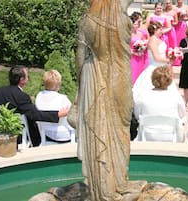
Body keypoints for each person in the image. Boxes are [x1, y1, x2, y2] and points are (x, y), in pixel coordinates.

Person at [75, 0, 139, 199]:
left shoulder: (87, 20)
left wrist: (79, 84)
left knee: (98, 132)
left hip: (95, 78)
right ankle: (119, 182)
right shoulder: (124, 21)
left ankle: (102, 188)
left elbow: (80, 56)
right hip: (119, 81)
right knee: (120, 133)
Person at [0, 66, 68, 146]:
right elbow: (35, 115)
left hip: (2, 131)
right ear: (22, 79)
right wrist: (57, 114)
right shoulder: (22, 96)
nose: (28, 78)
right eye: (27, 76)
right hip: (19, 135)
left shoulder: (0, 91)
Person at [134, 66, 185, 142]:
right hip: (170, 136)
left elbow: (137, 115)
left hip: (147, 136)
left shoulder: (143, 95)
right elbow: (182, 114)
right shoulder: (176, 96)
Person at [132, 21, 177, 103]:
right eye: (160, 29)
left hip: (163, 66)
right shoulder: (152, 41)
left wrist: (171, 56)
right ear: (155, 30)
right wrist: (169, 60)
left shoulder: (158, 39)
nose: (162, 31)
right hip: (155, 67)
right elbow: (157, 57)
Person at [35, 70, 73, 142]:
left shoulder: (39, 96)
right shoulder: (62, 98)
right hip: (63, 134)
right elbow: (72, 114)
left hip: (44, 132)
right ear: (57, 84)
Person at [130, 11, 149, 84]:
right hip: (132, 58)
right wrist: (134, 52)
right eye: (136, 23)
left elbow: (145, 44)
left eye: (139, 23)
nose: (138, 25)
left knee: (140, 78)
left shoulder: (141, 34)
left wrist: (143, 48)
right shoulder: (128, 34)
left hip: (140, 58)